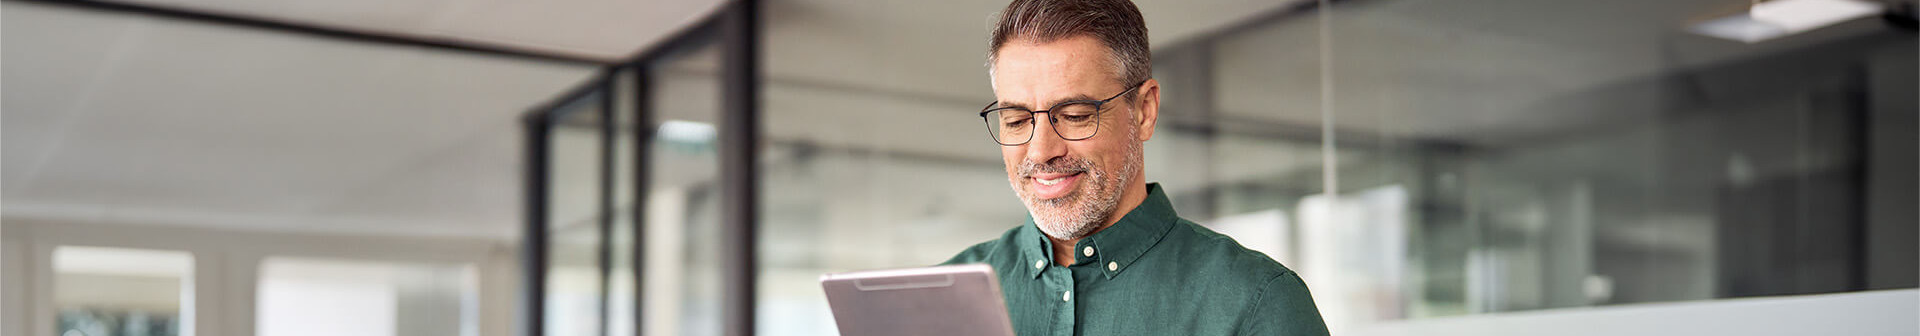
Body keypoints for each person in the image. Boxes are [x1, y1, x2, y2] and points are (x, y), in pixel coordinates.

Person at [942, 0, 1332, 334]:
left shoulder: (1258, 305)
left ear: (1144, 111)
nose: (1041, 150)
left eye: (1076, 115)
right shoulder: (941, 297)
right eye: (1015, 120)